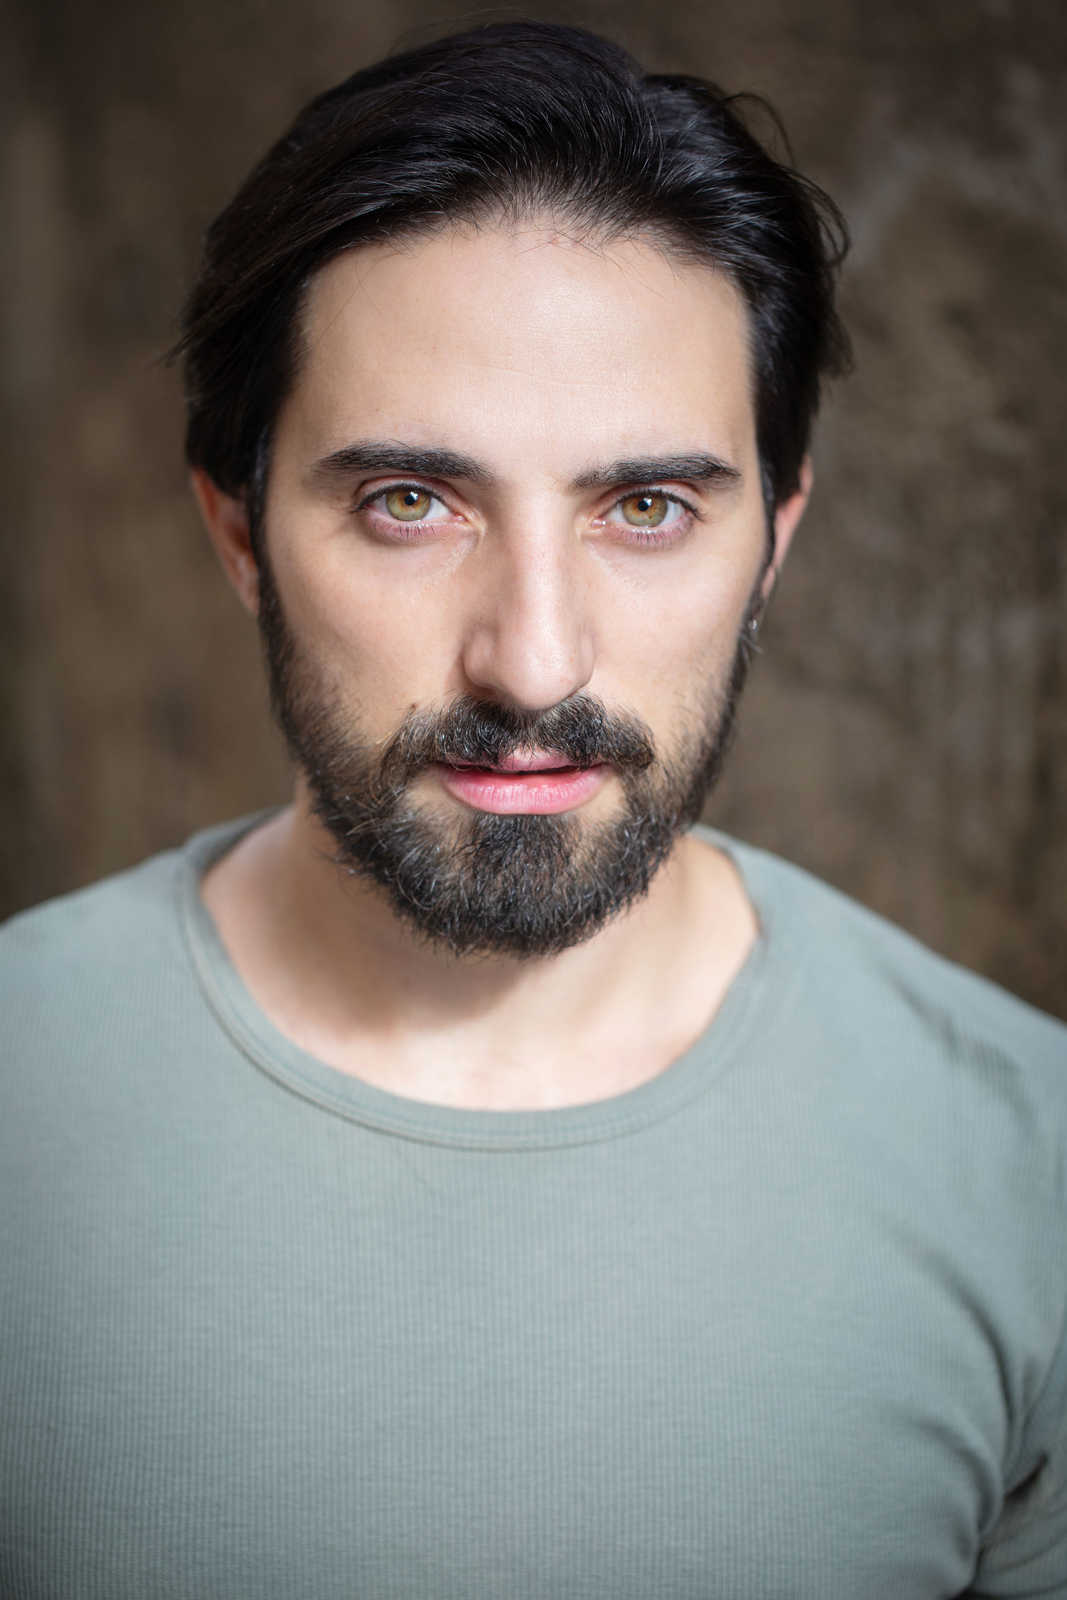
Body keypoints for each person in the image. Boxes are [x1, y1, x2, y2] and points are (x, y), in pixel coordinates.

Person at [2, 20, 1065, 1598]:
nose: (534, 659)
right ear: (239, 537)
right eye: (410, 502)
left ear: (771, 547)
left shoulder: (1033, 1174)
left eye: (647, 507)